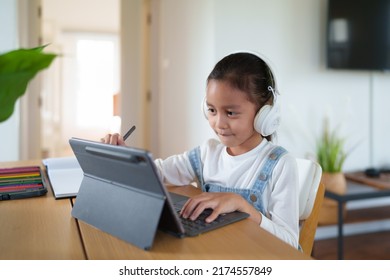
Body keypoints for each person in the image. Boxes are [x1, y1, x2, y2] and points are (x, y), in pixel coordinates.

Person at [101, 52, 299, 248]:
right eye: (212, 110)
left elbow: (289, 243)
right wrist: (125, 156)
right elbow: (158, 173)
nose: (219, 123)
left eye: (230, 113)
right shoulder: (207, 153)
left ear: (265, 113)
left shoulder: (280, 165)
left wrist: (243, 206)